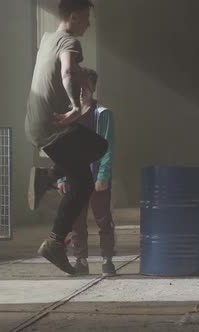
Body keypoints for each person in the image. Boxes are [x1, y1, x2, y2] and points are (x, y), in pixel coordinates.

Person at [25, 0, 108, 275]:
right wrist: (75, 106)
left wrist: (84, 80)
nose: (88, 25)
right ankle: (53, 241)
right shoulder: (70, 42)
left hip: (37, 124)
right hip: (54, 128)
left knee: (88, 162)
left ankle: (47, 180)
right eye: (86, 19)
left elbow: (69, 70)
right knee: (89, 170)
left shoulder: (50, 38)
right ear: (74, 16)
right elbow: (67, 71)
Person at [57, 68, 116, 277]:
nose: (81, 91)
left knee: (103, 221)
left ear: (93, 88)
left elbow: (107, 147)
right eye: (77, 86)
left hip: (95, 176)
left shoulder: (102, 114)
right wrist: (62, 177)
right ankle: (81, 261)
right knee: (77, 222)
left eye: (85, 86)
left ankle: (107, 260)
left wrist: (102, 176)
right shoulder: (68, 116)